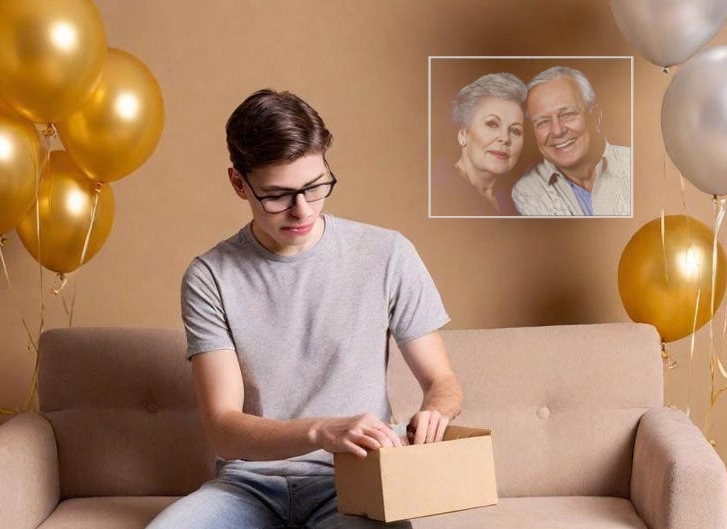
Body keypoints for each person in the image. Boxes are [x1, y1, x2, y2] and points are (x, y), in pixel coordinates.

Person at [146, 89, 462, 529]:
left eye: (315, 187)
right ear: (239, 184)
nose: (302, 210)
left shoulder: (387, 254)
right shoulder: (209, 276)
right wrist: (322, 431)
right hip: (247, 485)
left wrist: (436, 411)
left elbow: (442, 381)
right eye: (277, 195)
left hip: (354, 480)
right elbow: (222, 428)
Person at [511, 66, 631, 216]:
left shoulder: (637, 166)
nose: (557, 131)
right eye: (542, 122)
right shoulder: (529, 189)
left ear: (596, 118)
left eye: (567, 114)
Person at [431, 72, 525, 216]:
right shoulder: (436, 192)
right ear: (463, 134)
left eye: (516, 131)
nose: (505, 138)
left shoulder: (511, 203)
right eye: (492, 124)